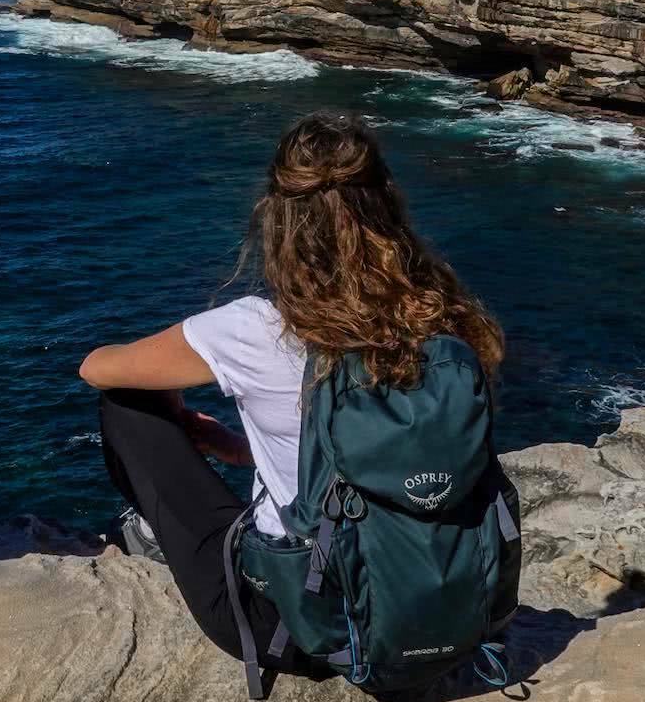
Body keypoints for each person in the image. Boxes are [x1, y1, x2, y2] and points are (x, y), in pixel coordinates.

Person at [77, 110, 506, 673]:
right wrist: (239, 445)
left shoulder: (253, 327)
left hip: (300, 626)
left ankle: (156, 537)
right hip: (446, 606)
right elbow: (386, 456)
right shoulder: (443, 321)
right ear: (386, 205)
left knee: (126, 404)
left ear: (278, 219)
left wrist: (179, 405)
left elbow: (97, 368)